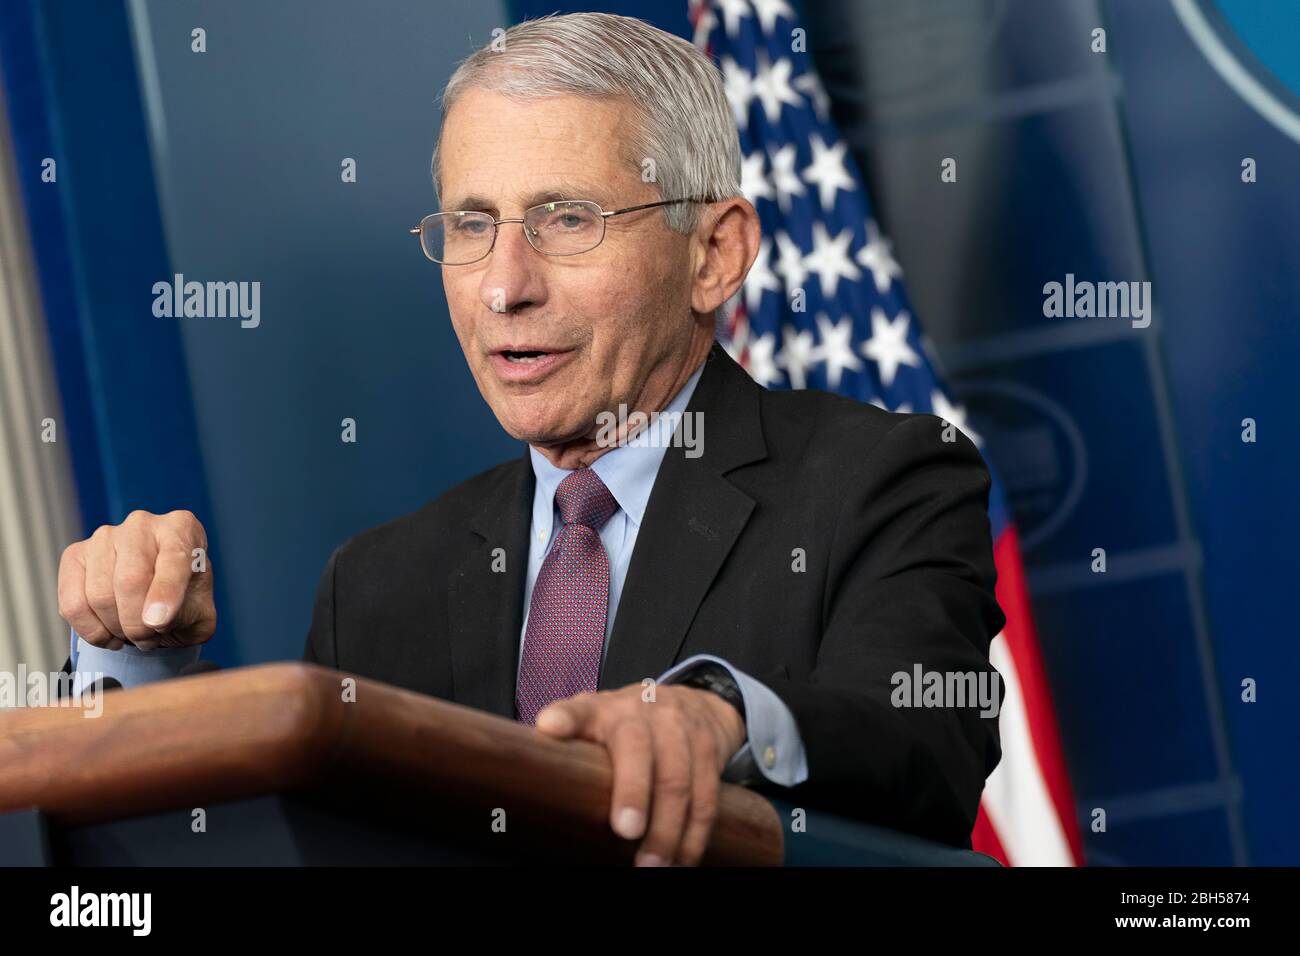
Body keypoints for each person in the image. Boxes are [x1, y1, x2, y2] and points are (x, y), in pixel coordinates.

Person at [56, 12, 1004, 866]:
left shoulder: (883, 480)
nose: (505, 285)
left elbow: (922, 746)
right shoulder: (379, 587)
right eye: (473, 224)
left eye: (566, 219)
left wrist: (718, 721)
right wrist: (138, 671)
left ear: (713, 254)